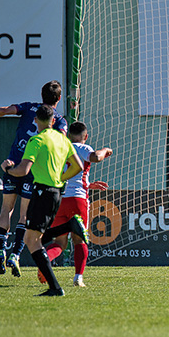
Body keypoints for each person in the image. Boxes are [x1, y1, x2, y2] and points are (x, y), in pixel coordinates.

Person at [0, 80, 68, 277]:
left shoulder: (28, 107)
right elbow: (59, 143)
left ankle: (0, 249)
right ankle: (15, 255)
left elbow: (5, 110)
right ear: (59, 99)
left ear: (42, 95)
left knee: (5, 209)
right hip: (32, 171)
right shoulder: (59, 120)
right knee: (24, 215)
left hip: (12, 165)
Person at [1, 105, 86, 296]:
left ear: (35, 121)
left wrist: (7, 169)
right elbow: (78, 165)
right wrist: (61, 179)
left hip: (41, 192)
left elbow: (23, 171)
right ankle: (69, 226)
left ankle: (55, 288)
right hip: (57, 192)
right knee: (35, 238)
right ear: (53, 121)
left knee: (31, 240)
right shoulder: (62, 139)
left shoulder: (36, 140)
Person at [40, 122, 113, 288]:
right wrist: (106, 150)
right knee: (79, 240)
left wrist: (88, 183)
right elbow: (96, 157)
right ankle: (78, 278)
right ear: (85, 137)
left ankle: (45, 259)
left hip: (60, 200)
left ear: (67, 135)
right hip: (78, 200)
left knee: (60, 242)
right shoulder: (83, 148)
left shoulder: (60, 147)